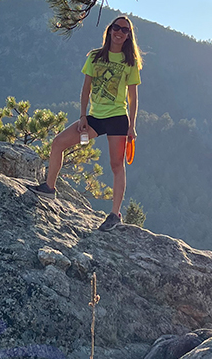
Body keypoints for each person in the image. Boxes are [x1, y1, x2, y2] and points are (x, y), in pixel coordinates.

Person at [29, 16, 142, 231]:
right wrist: (82, 115)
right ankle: (49, 188)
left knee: (117, 165)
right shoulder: (94, 57)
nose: (119, 32)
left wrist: (132, 126)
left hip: (117, 119)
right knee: (59, 143)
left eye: (125, 30)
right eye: (116, 27)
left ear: (129, 36)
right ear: (109, 30)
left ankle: (115, 214)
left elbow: (133, 98)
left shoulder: (130, 63)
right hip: (94, 120)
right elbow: (85, 89)